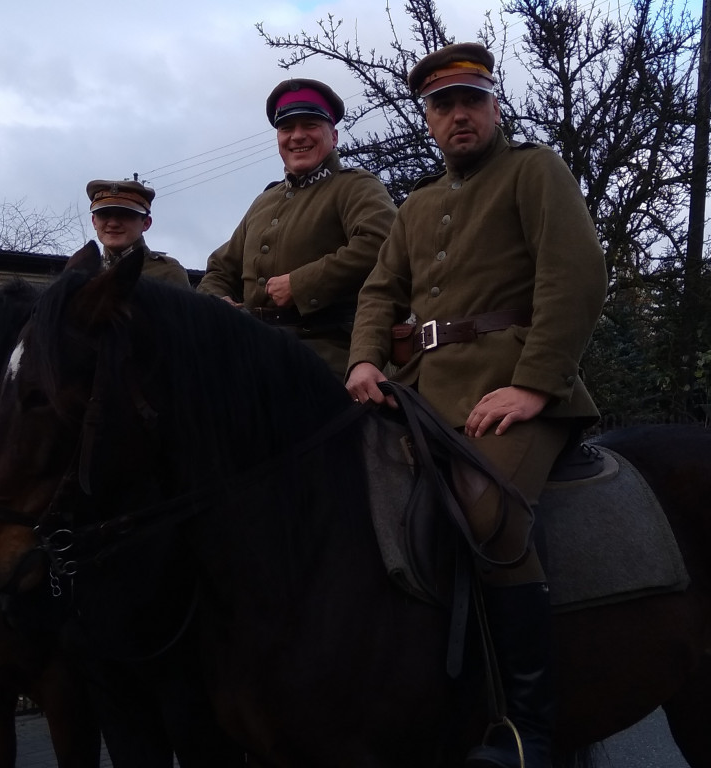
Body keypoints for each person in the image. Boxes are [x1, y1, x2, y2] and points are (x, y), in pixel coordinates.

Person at [345, 43, 607, 768]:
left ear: (494, 106)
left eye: (471, 100)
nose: (458, 115)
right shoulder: (417, 205)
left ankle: (529, 729)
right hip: (426, 395)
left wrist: (532, 383)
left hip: (522, 390)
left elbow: (575, 271)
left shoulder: (534, 169)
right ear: (427, 120)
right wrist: (366, 357)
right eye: (442, 105)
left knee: (487, 515)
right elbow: (377, 292)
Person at [197, 78, 397, 379]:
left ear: (334, 135)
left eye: (310, 125)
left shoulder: (354, 186)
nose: (297, 136)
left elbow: (383, 243)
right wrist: (218, 302)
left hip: (326, 355)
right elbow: (219, 270)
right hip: (252, 352)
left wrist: (301, 284)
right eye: (286, 128)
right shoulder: (264, 201)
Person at [86, 178, 191, 288]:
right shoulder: (84, 272)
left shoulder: (167, 273)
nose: (113, 224)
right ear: (94, 222)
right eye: (104, 214)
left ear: (146, 223)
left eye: (125, 214)